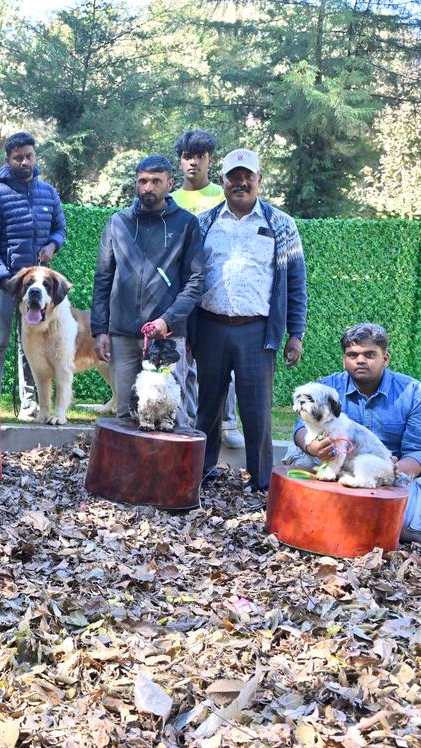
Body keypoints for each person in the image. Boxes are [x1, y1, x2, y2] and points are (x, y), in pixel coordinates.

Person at [193, 148, 307, 492]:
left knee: (256, 411)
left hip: (256, 332)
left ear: (259, 180)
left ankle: (260, 482)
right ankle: (200, 471)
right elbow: (190, 277)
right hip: (210, 327)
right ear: (222, 180)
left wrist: (295, 333)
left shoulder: (281, 224)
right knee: (207, 407)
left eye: (248, 176)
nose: (240, 182)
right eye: (233, 176)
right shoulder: (205, 223)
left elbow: (296, 282)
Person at [287, 323, 421, 543]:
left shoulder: (415, 394)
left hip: (394, 471)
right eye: (352, 354)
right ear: (344, 359)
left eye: (370, 354)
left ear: (386, 358)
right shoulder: (326, 387)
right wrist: (311, 447)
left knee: (410, 529)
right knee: (295, 506)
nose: (360, 360)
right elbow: (299, 427)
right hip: (332, 461)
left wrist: (392, 470)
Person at [90, 155, 205, 427]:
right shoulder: (118, 223)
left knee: (171, 416)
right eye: (142, 181)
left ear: (170, 183)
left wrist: (168, 320)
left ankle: (171, 471)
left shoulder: (186, 224)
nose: (148, 187)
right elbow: (103, 279)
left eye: (156, 181)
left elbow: (196, 281)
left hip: (167, 337)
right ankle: (126, 471)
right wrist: (100, 330)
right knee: (126, 414)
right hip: (121, 335)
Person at [0, 132, 67, 418]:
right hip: (6, 285)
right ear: (8, 160)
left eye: (29, 156)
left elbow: (60, 228)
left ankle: (29, 403)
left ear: (35, 156)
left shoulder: (49, 193)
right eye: (18, 157)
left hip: (39, 288)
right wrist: (8, 281)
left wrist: (53, 245)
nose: (24, 161)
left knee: (32, 344)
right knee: (0, 341)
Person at [173, 129, 245, 449]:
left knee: (220, 363)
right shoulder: (170, 199)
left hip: (218, 291)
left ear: (209, 160)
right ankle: (188, 419)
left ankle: (227, 422)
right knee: (183, 359)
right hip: (182, 292)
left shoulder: (222, 195)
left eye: (200, 156)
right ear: (180, 161)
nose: (193, 162)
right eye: (188, 156)